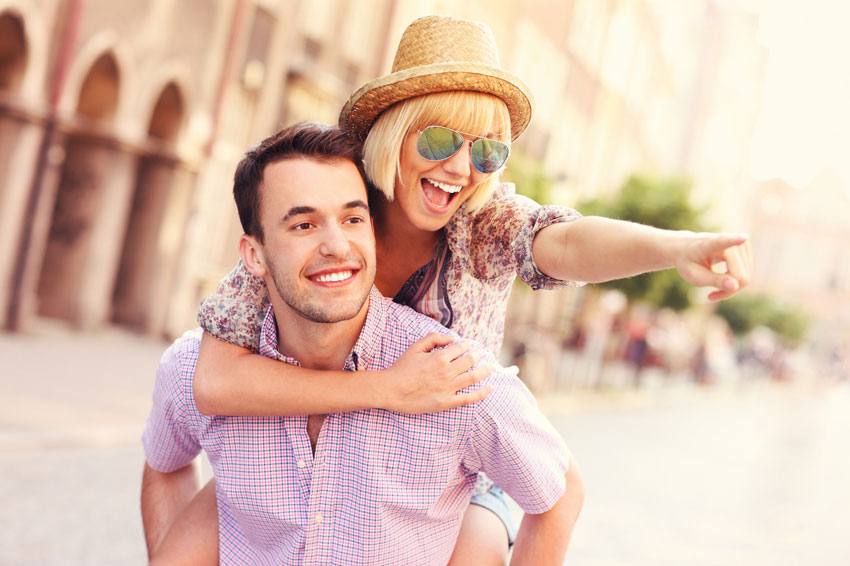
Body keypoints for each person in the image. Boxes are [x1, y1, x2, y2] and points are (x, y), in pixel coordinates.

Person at [185, 14, 752, 564]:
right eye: (438, 141)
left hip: (449, 475)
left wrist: (677, 248)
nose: (461, 167)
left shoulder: (485, 224)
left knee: (478, 547)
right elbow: (215, 381)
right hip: (313, 455)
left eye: (487, 151)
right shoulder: (331, 210)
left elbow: (571, 242)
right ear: (393, 134)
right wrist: (387, 389)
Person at [141, 123, 584, 565]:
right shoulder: (191, 369)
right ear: (254, 254)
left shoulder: (449, 378)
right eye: (303, 224)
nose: (336, 245)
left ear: (372, 230)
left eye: (352, 219)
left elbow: (559, 491)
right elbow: (164, 465)